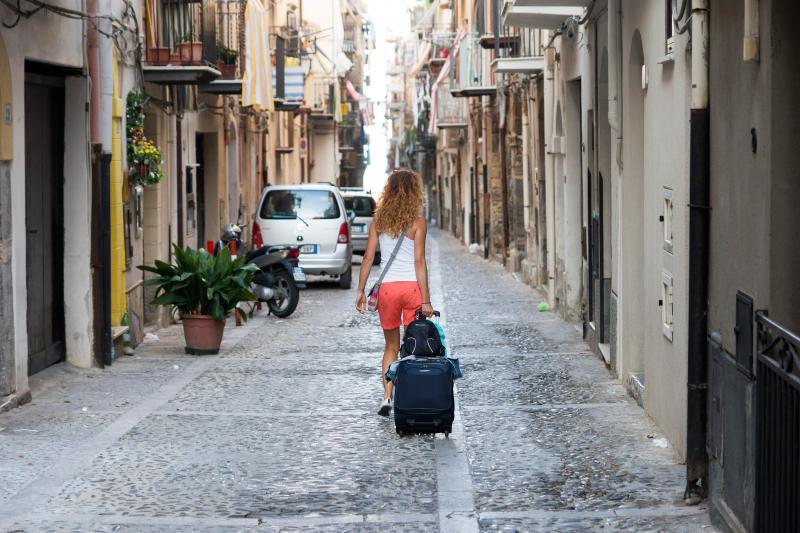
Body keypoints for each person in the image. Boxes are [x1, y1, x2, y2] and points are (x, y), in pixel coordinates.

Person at [355, 169, 434, 416]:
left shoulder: (379, 220)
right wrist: (427, 300)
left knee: (391, 346)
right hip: (411, 289)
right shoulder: (418, 222)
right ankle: (412, 396)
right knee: (412, 346)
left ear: (388, 191)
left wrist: (360, 290)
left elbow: (368, 257)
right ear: (414, 193)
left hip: (387, 289)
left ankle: (387, 397)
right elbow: (419, 261)